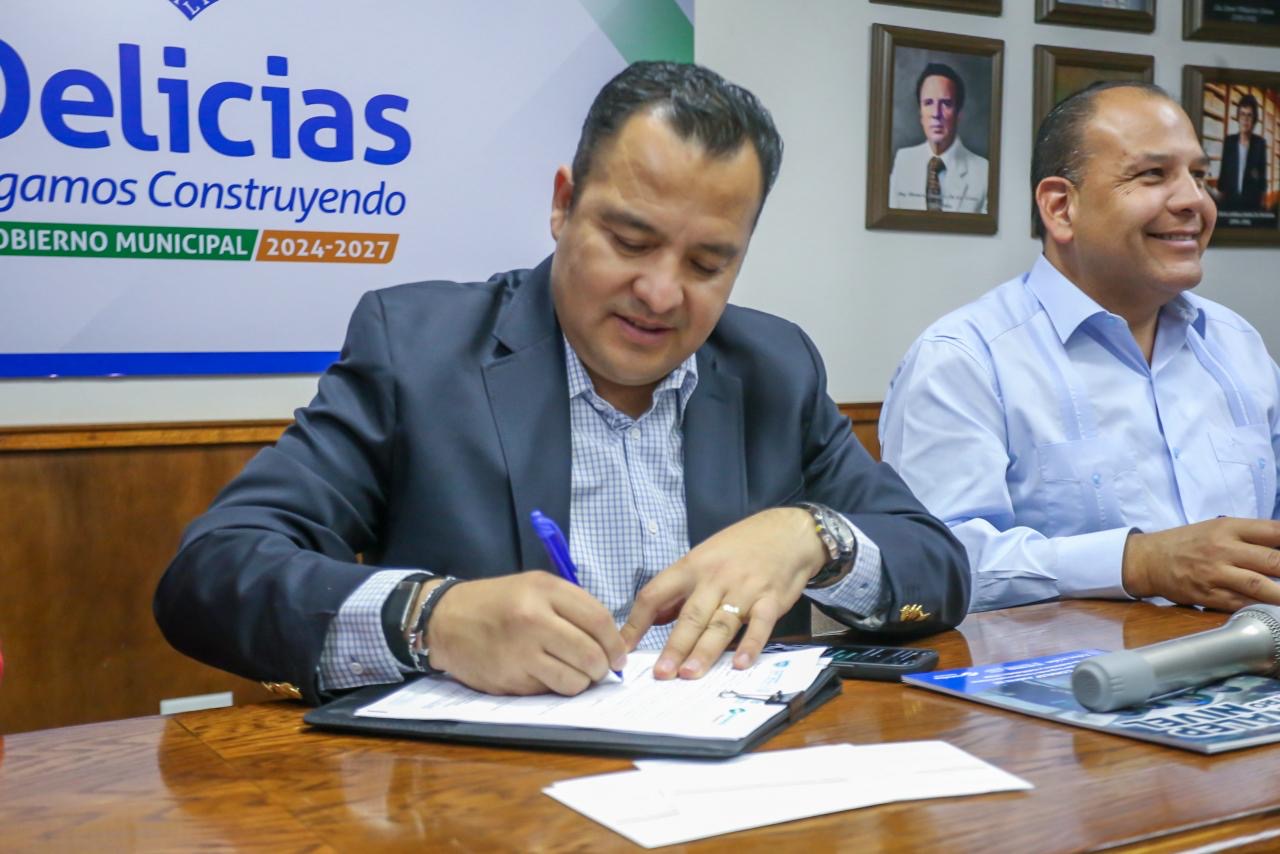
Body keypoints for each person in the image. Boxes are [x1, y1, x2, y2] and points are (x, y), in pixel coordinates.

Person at [155, 61, 969, 704]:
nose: (660, 293)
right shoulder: (418, 351)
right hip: (495, 811)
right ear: (563, 205)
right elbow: (212, 573)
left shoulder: (774, 368)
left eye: (706, 263)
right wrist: (433, 618)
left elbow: (938, 565)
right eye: (629, 241)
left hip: (733, 790)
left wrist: (811, 536)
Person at [880, 81, 1280, 614]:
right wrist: (1136, 563)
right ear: (1061, 207)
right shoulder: (963, 360)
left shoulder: (1236, 344)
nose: (1195, 201)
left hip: (1255, 660)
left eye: (1200, 176)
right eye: (1153, 174)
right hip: (1068, 668)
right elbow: (930, 569)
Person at [887, 62, 988, 214]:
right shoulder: (903, 161)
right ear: (920, 113)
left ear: (959, 114)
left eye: (946, 103)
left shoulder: (983, 172)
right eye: (928, 103)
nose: (936, 113)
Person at [1216, 94, 1268, 213]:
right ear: (1238, 117)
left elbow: (1262, 178)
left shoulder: (1260, 144)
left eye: (1249, 115)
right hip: (1229, 202)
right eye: (1242, 114)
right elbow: (1223, 174)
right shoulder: (1229, 142)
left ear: (1254, 119)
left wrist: (1262, 205)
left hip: (1252, 204)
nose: (1245, 119)